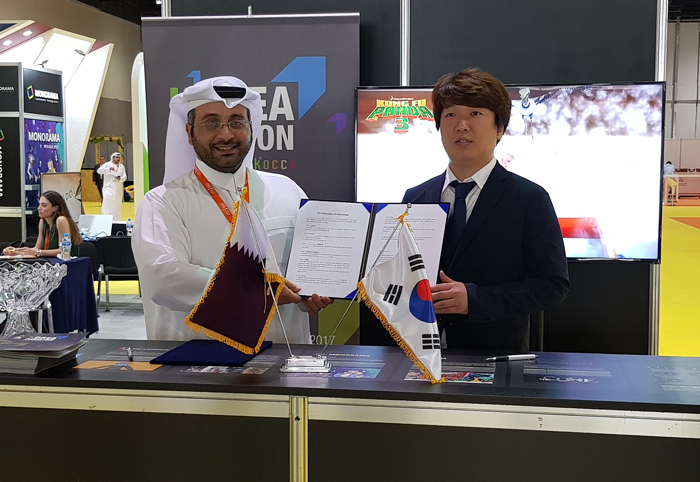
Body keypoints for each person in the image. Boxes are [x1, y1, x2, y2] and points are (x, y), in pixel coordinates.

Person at [132, 76, 332, 342]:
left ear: (251, 128)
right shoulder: (163, 202)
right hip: (201, 361)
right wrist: (259, 289)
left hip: (285, 356)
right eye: (211, 123)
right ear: (189, 133)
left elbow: (309, 264)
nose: (226, 135)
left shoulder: (288, 190)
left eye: (237, 122)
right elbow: (162, 278)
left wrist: (310, 292)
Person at [400, 68, 570, 352]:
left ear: (499, 128)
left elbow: (552, 285)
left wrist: (475, 299)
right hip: (417, 352)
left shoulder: (529, 198)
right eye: (451, 115)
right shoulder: (415, 197)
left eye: (475, 113)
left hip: (494, 357)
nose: (462, 125)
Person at [2, 190, 82, 258]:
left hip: (67, 262)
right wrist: (17, 251)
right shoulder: (43, 222)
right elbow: (37, 248)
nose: (39, 208)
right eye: (39, 204)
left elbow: (64, 251)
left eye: (44, 205)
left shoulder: (61, 220)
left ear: (55, 208)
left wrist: (38, 252)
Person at [97, 152, 126, 220]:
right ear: (113, 158)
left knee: (117, 205)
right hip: (108, 188)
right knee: (107, 203)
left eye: (119, 158)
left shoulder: (121, 166)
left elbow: (125, 176)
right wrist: (108, 169)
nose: (118, 159)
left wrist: (120, 179)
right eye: (117, 157)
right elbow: (99, 171)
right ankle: (106, 219)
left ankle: (116, 220)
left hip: (118, 189)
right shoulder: (107, 164)